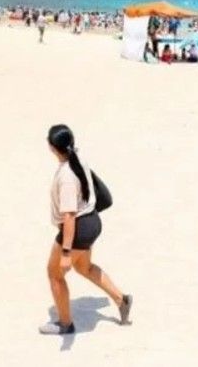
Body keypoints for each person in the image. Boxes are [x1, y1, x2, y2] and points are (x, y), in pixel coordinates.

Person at [40, 125, 132, 335]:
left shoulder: (66, 177)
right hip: (92, 222)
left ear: (52, 148)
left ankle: (65, 323)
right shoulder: (78, 158)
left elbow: (69, 216)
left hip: (78, 228)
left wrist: (65, 252)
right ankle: (122, 300)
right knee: (84, 267)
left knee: (54, 273)